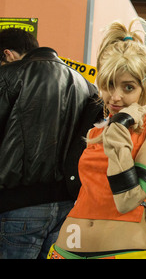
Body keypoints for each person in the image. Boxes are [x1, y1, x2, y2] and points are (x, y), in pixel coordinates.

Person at [48, 19, 146, 259]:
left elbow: (127, 199)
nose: (115, 97)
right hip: (64, 250)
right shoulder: (95, 132)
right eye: (108, 85)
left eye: (128, 87)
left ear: (145, 87)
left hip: (123, 251)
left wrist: (120, 128)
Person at [0, 28, 102, 259]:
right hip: (68, 206)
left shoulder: (7, 77)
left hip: (16, 206)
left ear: (7, 54)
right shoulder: (86, 84)